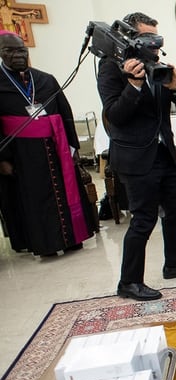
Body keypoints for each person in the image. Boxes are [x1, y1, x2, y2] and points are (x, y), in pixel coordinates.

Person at [97, 12, 176, 301]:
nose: (155, 45)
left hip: (163, 152)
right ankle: (129, 282)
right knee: (143, 220)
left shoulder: (156, 66)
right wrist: (133, 85)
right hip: (136, 158)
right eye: (148, 38)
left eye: (157, 40)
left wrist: (175, 87)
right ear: (131, 38)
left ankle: (174, 263)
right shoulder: (111, 67)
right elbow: (115, 116)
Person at [0, 29, 97, 257]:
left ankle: (73, 238)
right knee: (35, 201)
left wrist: (73, 147)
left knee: (65, 192)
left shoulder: (45, 79)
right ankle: (45, 245)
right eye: (10, 51)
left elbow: (65, 113)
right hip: (21, 155)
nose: (18, 55)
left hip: (56, 149)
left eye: (21, 50)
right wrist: (2, 159)